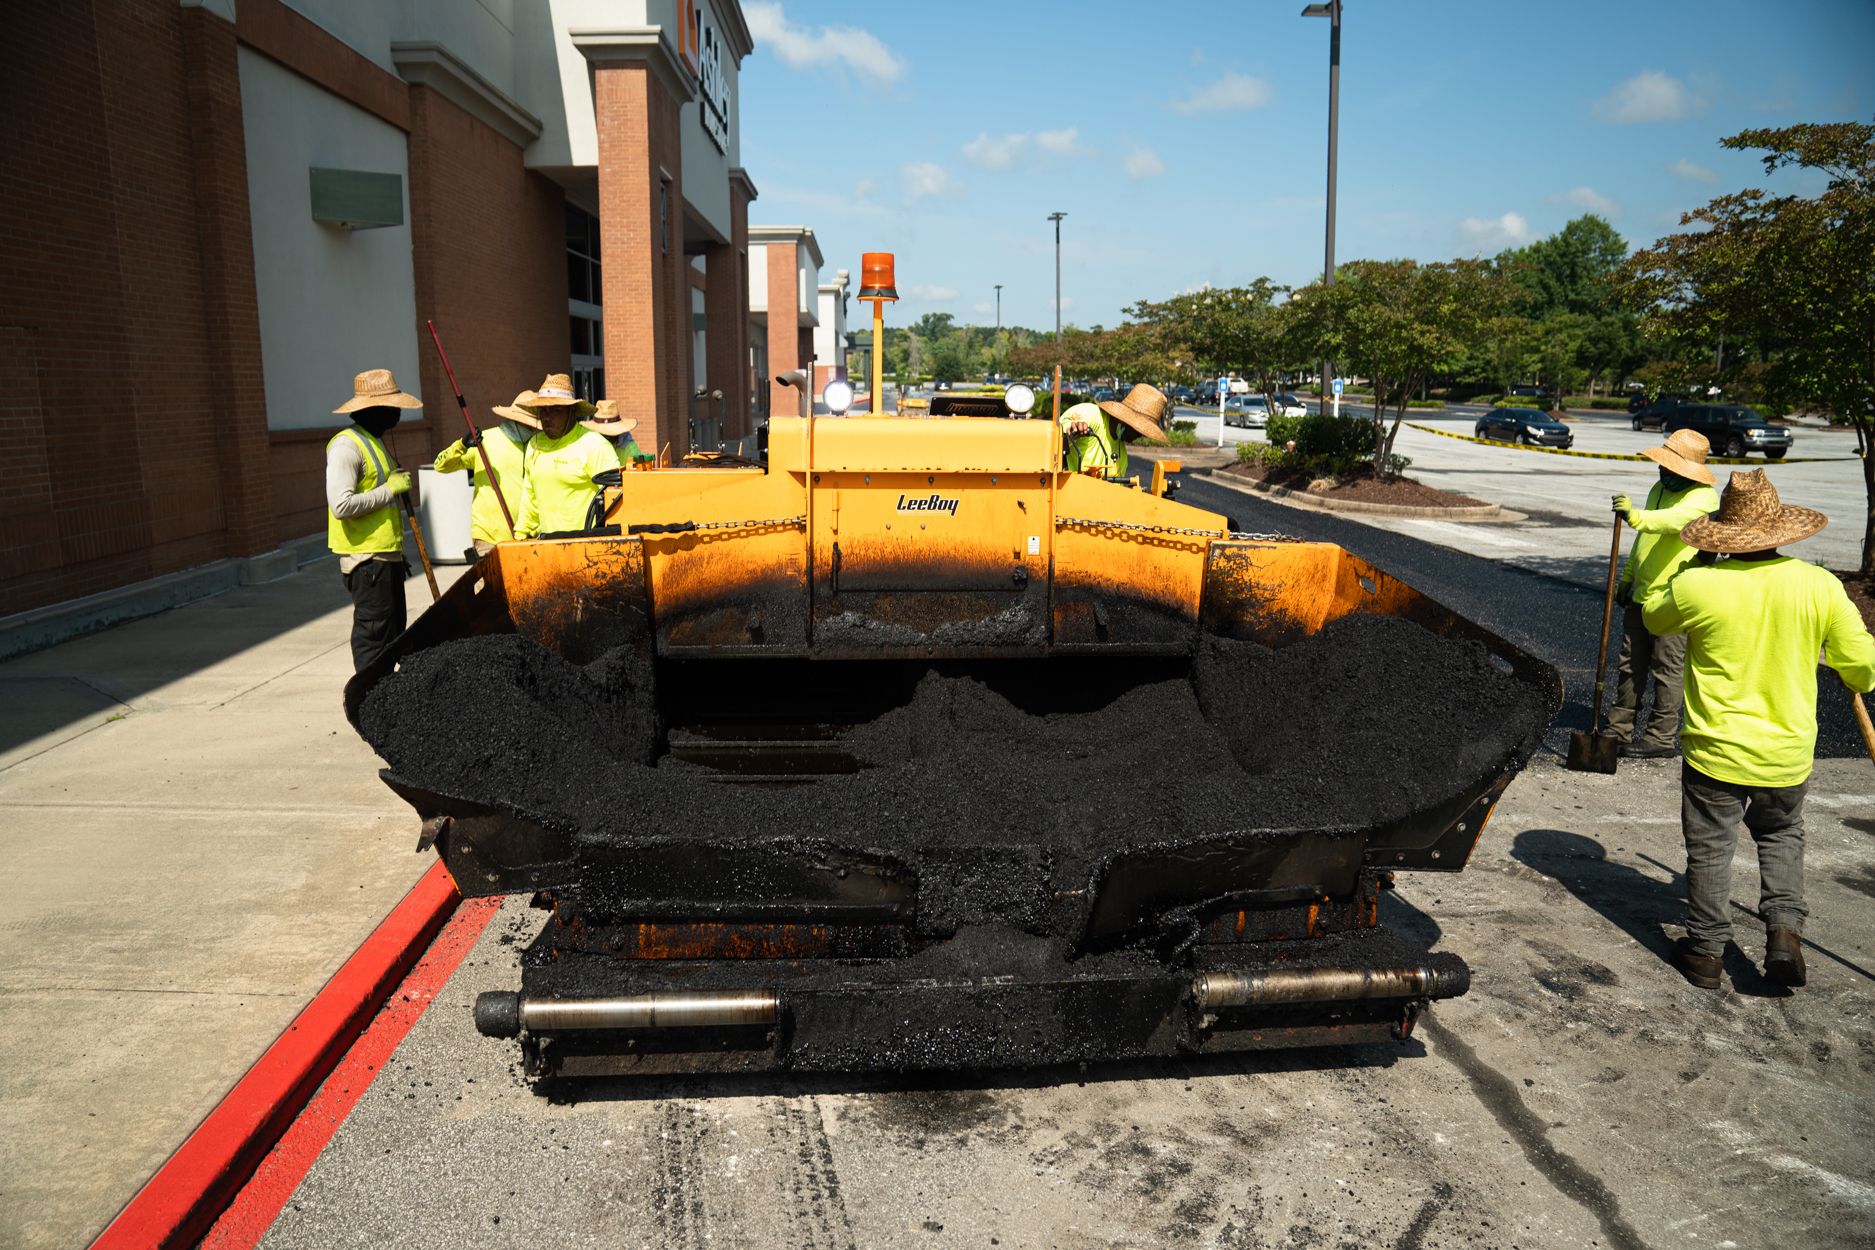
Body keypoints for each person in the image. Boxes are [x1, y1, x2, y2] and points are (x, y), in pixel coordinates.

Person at [1641, 469, 1875, 990]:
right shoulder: (1818, 585)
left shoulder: (1698, 585)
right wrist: (1846, 667)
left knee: (1710, 849)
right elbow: (1862, 666)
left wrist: (1695, 567)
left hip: (1714, 751)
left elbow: (1654, 618)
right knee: (1782, 835)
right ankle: (1785, 934)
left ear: (1724, 535)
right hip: (1786, 752)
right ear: (1780, 530)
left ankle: (1704, 953)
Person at [1606, 429, 1721, 758]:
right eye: (1662, 466)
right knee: (1630, 665)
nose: (1663, 472)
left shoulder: (1704, 499)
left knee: (1666, 668)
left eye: (1670, 468)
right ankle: (1618, 727)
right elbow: (1646, 540)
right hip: (1642, 593)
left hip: (1675, 599)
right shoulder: (1659, 488)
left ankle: (1660, 735)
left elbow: (1674, 523)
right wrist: (1628, 576)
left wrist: (1635, 516)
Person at [325, 368, 422, 671]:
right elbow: (341, 505)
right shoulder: (346, 446)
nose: (397, 414)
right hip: (366, 562)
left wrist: (396, 554)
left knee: (393, 633)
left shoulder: (373, 441)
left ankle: (387, 699)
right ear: (373, 408)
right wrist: (389, 489)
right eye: (392, 407)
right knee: (374, 637)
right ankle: (369, 701)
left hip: (384, 558)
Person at [503, 373, 617, 538]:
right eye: (543, 411)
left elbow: (616, 499)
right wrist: (521, 534)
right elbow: (530, 497)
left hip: (588, 546)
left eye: (556, 410)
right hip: (548, 547)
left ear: (571, 411)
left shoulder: (594, 445)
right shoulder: (535, 444)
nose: (547, 417)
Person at [432, 398, 532, 557]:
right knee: (488, 583)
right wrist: (462, 445)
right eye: (531, 423)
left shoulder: (536, 445)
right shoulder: (484, 441)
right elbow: (440, 465)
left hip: (526, 538)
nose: (534, 428)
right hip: (488, 538)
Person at [1059, 383, 1169, 480]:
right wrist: (1074, 430)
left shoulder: (1122, 459)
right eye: (1139, 430)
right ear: (1127, 421)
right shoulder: (1092, 415)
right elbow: (1060, 429)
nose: (1140, 435)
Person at [584, 399, 645, 466]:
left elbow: (640, 471)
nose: (606, 436)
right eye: (602, 433)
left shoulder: (630, 450)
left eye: (609, 434)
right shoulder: (586, 446)